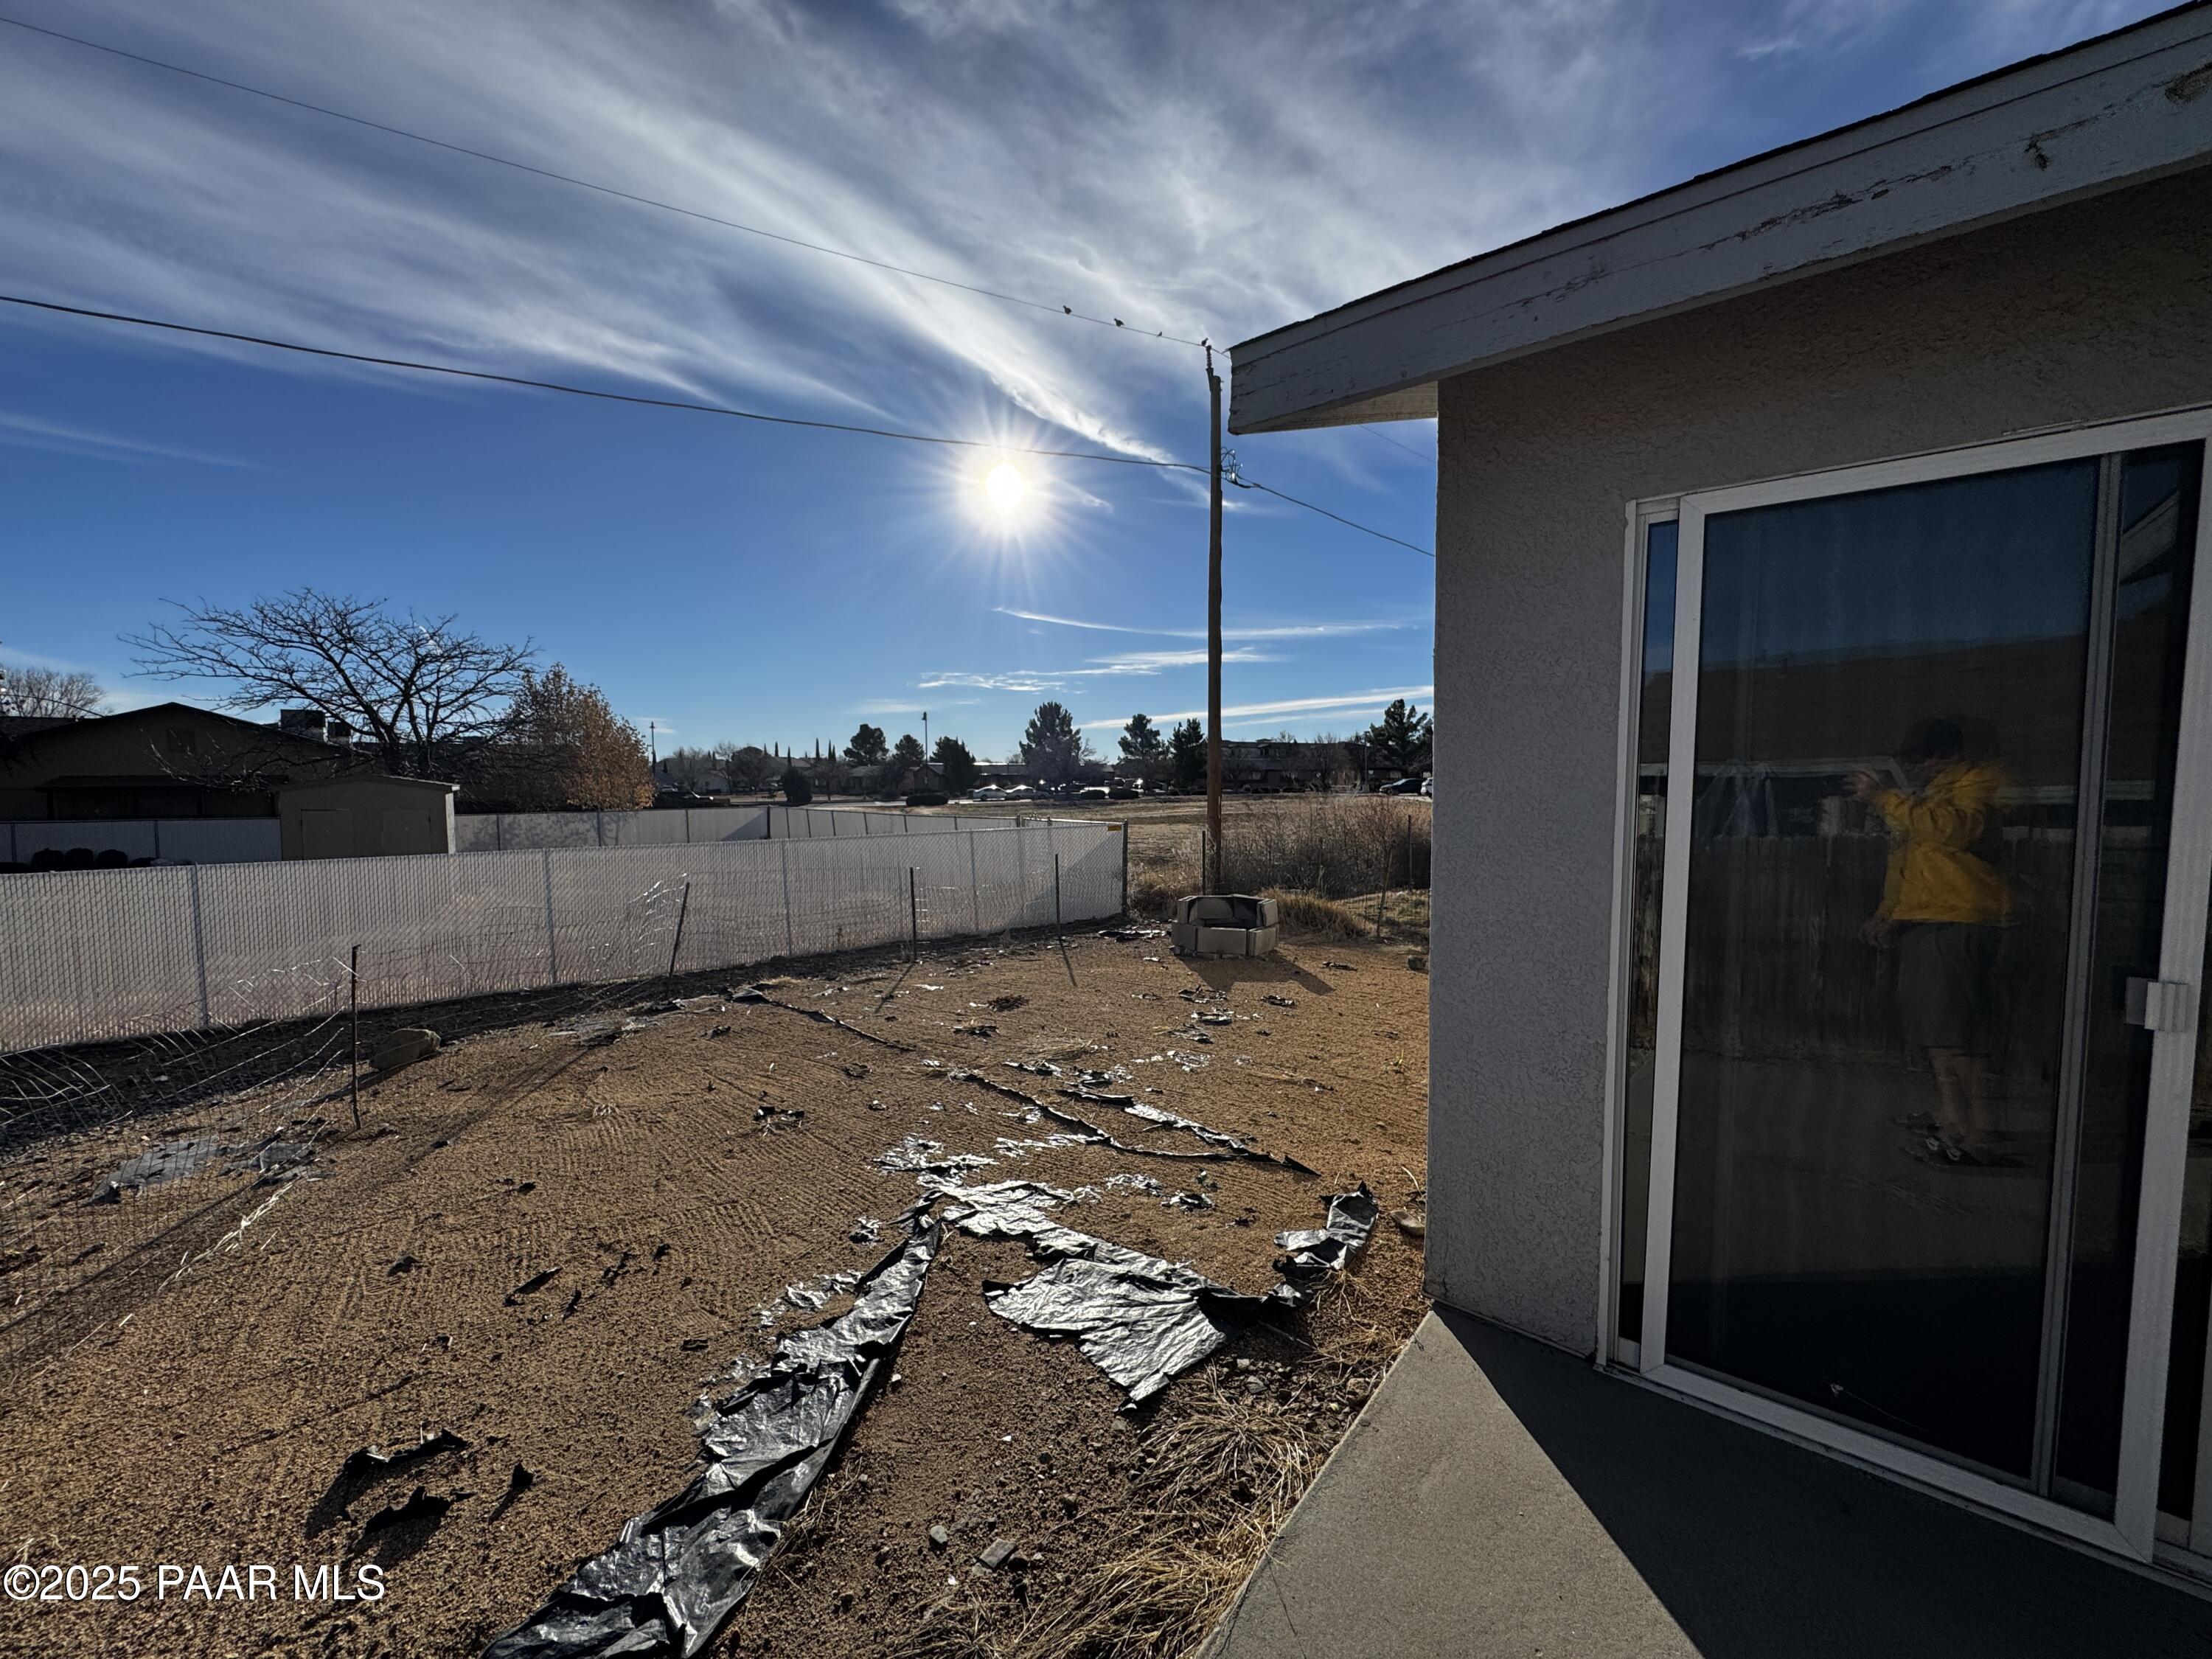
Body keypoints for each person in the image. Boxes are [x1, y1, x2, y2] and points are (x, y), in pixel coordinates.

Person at [1848, 719, 2014, 1168]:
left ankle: (1976, 1133)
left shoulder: (1979, 783)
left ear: (1945, 755)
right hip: (1928, 919)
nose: (1913, 767)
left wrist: (1884, 797)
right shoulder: (1928, 797)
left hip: (1961, 919)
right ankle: (1951, 1118)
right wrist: (1889, 913)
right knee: (1939, 1029)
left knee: (1960, 1034)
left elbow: (1955, 831)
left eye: (1920, 758)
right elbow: (1910, 864)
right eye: (1910, 760)